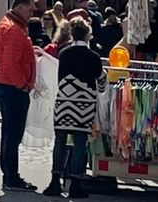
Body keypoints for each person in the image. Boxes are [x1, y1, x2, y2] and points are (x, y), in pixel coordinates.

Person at [44, 17, 104, 198]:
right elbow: (101, 84)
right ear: (88, 35)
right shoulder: (93, 57)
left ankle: (55, 181)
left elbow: (59, 79)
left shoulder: (63, 53)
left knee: (60, 142)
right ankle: (76, 184)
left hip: (64, 103)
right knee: (79, 143)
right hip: (84, 107)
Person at [0, 0, 39, 192]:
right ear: (20, 7)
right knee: (13, 135)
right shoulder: (13, 30)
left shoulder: (9, 25)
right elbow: (11, 63)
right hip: (13, 88)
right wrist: (23, 85)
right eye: (30, 9)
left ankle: (9, 174)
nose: (32, 13)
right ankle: (11, 177)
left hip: (7, 85)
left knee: (8, 133)